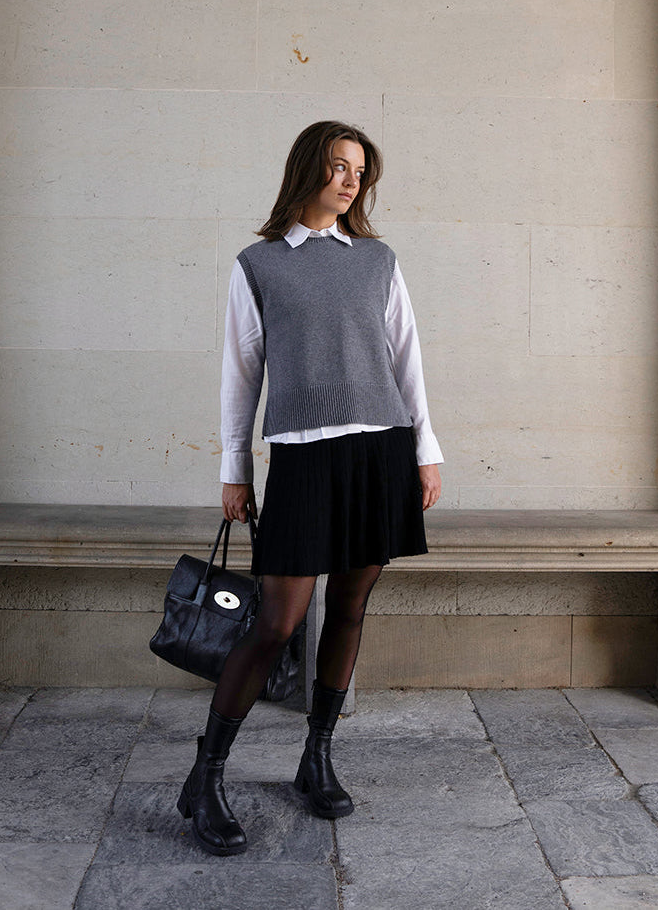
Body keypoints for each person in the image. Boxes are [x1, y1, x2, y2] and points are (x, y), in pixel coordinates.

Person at [178, 120, 443, 856]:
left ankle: (315, 756)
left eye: (359, 170)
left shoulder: (377, 260)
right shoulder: (259, 264)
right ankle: (206, 776)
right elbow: (241, 370)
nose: (350, 180)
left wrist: (425, 451)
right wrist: (235, 469)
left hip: (380, 450)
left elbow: (405, 358)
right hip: (300, 455)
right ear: (307, 172)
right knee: (276, 623)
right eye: (336, 166)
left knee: (352, 606)